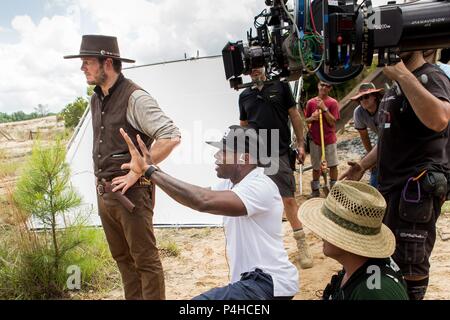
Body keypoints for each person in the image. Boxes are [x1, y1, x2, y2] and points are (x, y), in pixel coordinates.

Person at [114, 125, 299, 300]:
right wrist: (151, 169)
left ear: (244, 158)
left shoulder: (260, 185)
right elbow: (192, 195)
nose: (217, 155)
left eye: (224, 151)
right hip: (251, 283)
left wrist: (150, 171)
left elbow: (203, 201)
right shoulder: (231, 184)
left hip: (270, 282)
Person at [64, 35, 181, 300]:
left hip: (133, 195)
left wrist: (138, 169)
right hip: (106, 194)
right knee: (123, 261)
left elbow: (170, 135)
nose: (83, 67)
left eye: (88, 62)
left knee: (145, 262)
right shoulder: (96, 99)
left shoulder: (134, 97)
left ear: (107, 62)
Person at [340, 50, 450, 300]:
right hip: (393, 191)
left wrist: (402, 74)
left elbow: (440, 118)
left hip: (415, 191)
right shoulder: (397, 85)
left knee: (410, 264)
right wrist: (363, 165)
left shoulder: (430, 77)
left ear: (425, 46)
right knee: (391, 258)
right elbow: (388, 139)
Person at [238, 66, 313, 269]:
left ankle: (302, 245)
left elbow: (294, 115)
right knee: (258, 202)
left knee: (288, 200)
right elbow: (244, 124)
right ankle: (265, 251)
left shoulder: (280, 86)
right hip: (256, 155)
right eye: (250, 67)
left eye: (258, 65)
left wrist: (300, 143)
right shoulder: (244, 95)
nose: (255, 70)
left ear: (264, 66)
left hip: (278, 152)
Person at [298, 181, 409, 300]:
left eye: (328, 228)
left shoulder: (373, 292)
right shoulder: (358, 269)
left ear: (347, 239)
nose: (321, 235)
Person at [305, 81, 340, 197]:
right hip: (315, 140)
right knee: (316, 166)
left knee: (333, 165)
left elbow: (332, 122)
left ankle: (334, 191)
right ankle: (315, 190)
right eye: (322, 85)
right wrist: (312, 117)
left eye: (327, 86)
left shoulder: (333, 103)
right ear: (318, 85)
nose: (324, 87)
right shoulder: (310, 103)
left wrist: (324, 109)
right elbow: (306, 121)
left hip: (329, 139)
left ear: (330, 88)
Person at [350, 83, 384, 187]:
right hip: (381, 138)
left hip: (395, 137)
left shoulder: (385, 106)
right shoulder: (358, 112)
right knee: (374, 169)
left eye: (366, 96)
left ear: (374, 96)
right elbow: (364, 136)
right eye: (360, 98)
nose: (363, 100)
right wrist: (371, 159)